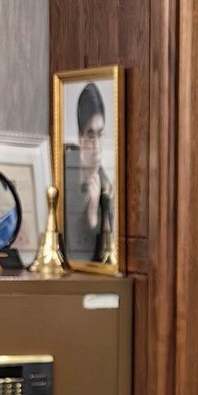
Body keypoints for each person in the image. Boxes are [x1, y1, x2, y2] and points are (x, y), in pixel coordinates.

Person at [63, 81, 112, 263]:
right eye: (90, 135)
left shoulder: (107, 187)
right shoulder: (65, 175)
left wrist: (94, 214)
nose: (97, 147)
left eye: (100, 134)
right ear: (80, 137)